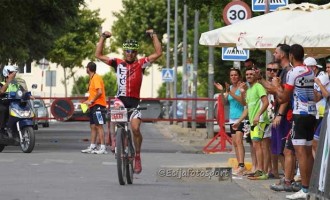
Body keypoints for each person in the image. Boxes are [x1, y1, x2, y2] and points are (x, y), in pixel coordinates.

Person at [95, 29, 162, 174]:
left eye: (132, 51)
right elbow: (98, 55)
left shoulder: (141, 64)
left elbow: (158, 53)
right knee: (115, 112)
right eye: (127, 51)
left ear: (136, 52)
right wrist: (103, 37)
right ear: (124, 52)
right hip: (121, 99)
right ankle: (114, 139)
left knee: (136, 129)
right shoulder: (117, 63)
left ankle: (137, 156)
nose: (129, 53)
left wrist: (154, 35)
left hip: (135, 102)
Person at [273, 44, 316, 199]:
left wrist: (277, 86)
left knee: (300, 152)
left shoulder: (293, 72)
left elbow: (284, 97)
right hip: (312, 113)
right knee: (308, 152)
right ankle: (309, 187)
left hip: (299, 114)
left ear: (291, 56)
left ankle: (304, 190)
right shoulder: (310, 71)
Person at [233, 68, 270, 180]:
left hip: (261, 120)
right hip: (253, 121)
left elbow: (266, 102)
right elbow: (247, 108)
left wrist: (258, 115)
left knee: (258, 145)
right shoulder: (249, 90)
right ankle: (259, 170)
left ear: (255, 76)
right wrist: (238, 121)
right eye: (247, 74)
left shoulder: (258, 87)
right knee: (256, 145)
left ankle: (261, 171)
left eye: (251, 74)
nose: (249, 76)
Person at [214, 68, 245, 176]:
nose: (233, 77)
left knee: (239, 141)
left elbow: (243, 101)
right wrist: (223, 91)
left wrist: (230, 92)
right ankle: (239, 164)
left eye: (235, 75)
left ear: (239, 76)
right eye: (231, 75)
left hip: (242, 117)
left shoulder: (242, 86)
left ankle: (242, 165)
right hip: (232, 118)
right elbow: (223, 102)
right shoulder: (230, 88)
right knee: (235, 143)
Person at [81, 62, 108, 154]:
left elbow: (99, 92)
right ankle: (92, 146)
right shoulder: (91, 79)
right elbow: (92, 94)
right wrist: (87, 103)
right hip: (93, 106)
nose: (86, 69)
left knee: (99, 126)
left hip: (99, 105)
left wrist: (92, 100)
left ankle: (103, 147)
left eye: (86, 68)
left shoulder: (96, 78)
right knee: (93, 126)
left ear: (88, 68)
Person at [0, 65, 19, 138]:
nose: (13, 74)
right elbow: (1, 91)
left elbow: (22, 91)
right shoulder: (1, 83)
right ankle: (2, 130)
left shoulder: (16, 85)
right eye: (11, 73)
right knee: (4, 109)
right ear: (6, 73)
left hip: (14, 104)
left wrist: (29, 95)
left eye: (14, 73)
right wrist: (8, 82)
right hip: (3, 103)